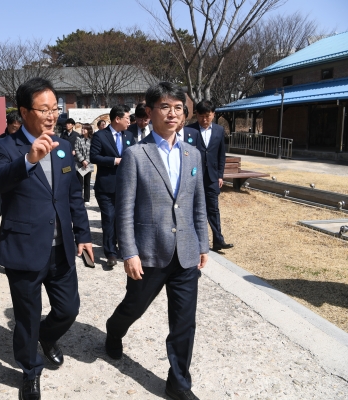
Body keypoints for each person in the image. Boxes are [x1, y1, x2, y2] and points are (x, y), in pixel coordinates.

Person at [0, 77, 93, 400]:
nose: (52, 115)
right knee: (26, 316)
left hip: (60, 248)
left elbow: (73, 195)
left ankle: (47, 337)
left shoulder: (63, 147)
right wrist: (29, 159)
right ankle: (31, 371)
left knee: (68, 309)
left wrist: (84, 234)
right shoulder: (3, 146)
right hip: (24, 247)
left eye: (55, 109)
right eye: (44, 109)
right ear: (24, 111)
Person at [105, 82, 209, 400]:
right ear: (150, 112)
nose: (173, 113)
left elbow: (198, 202)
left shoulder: (193, 153)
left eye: (178, 107)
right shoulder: (136, 155)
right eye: (165, 106)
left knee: (183, 322)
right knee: (133, 307)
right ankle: (114, 328)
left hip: (186, 252)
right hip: (149, 252)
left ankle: (178, 382)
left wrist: (203, 243)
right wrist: (129, 253)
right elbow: (124, 210)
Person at [89, 105, 135, 268]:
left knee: (122, 220)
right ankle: (110, 253)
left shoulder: (129, 136)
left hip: (125, 187)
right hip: (106, 187)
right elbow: (93, 157)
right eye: (127, 118)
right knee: (109, 218)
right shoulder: (100, 136)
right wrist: (114, 161)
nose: (129, 121)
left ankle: (123, 248)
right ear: (117, 119)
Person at [184, 100, 233, 252]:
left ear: (213, 114)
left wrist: (220, 175)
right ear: (196, 115)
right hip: (194, 177)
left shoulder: (219, 130)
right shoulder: (189, 130)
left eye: (208, 116)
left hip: (212, 177)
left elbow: (221, 155)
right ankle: (194, 241)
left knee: (213, 209)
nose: (204, 120)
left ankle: (218, 240)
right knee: (193, 209)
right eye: (201, 116)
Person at [0, 110, 22, 216]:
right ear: (8, 124)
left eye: (20, 128)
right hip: (6, 186)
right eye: (14, 128)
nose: (17, 131)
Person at [74, 123, 94, 205]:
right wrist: (82, 160)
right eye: (82, 128)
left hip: (88, 164)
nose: (82, 130)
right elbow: (76, 149)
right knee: (79, 182)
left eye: (84, 129)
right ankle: (79, 198)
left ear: (88, 130)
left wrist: (87, 161)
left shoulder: (92, 139)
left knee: (87, 182)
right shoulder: (78, 138)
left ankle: (86, 199)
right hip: (80, 164)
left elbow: (93, 151)